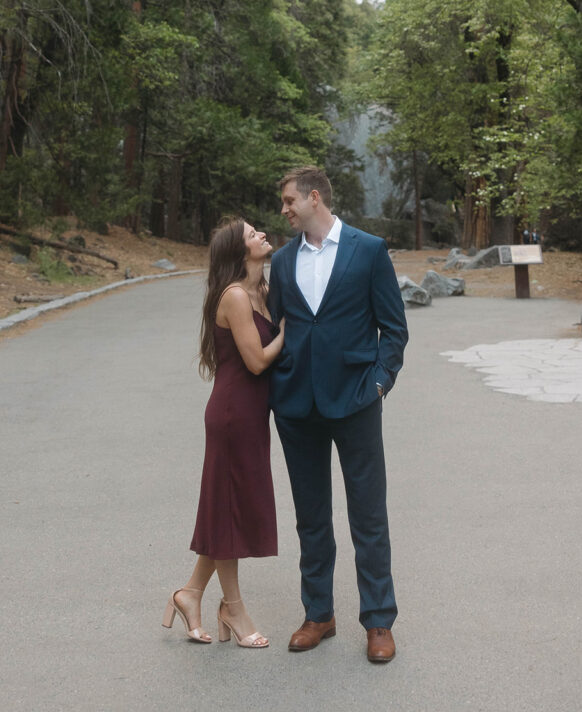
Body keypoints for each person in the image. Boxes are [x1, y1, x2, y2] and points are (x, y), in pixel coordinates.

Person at [268, 166, 408, 664]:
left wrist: (378, 383)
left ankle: (378, 621)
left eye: (288, 201)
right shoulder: (283, 262)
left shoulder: (367, 250)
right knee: (311, 518)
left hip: (356, 401)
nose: (283, 209)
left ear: (313, 197)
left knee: (368, 515)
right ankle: (318, 614)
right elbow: (277, 327)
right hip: (297, 407)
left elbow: (394, 328)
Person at [162, 218, 284, 649]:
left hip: (251, 415)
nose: (263, 236)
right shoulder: (234, 296)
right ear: (239, 250)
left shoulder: (262, 291)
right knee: (231, 510)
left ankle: (190, 594)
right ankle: (233, 608)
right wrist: (288, 332)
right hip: (233, 414)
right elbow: (256, 361)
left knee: (227, 507)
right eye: (254, 235)